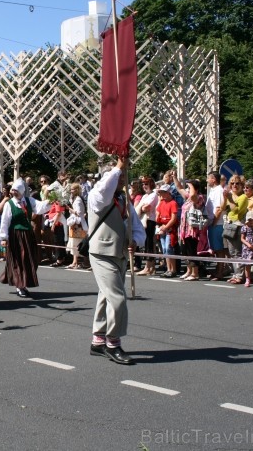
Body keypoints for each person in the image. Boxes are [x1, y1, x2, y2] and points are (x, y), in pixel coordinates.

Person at [87, 156, 145, 365]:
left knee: (105, 297)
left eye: (123, 175)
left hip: (119, 254)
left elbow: (137, 227)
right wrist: (118, 167)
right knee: (118, 299)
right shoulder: (97, 195)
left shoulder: (124, 200)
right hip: (101, 253)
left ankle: (98, 341)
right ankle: (113, 343)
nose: (122, 178)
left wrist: (136, 241)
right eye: (119, 176)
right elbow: (104, 190)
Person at [0, 178, 51, 298]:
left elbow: (40, 207)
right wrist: (3, 238)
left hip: (28, 235)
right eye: (13, 190)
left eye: (16, 190)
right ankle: (19, 285)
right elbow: (5, 222)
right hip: (16, 235)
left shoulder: (29, 200)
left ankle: (23, 283)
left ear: (22, 191)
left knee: (29, 259)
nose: (14, 192)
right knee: (19, 259)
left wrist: (51, 201)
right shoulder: (9, 204)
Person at [177, 180, 209, 281]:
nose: (187, 189)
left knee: (192, 250)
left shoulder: (199, 198)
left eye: (189, 188)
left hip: (192, 229)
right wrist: (174, 178)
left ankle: (195, 273)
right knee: (185, 250)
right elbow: (179, 188)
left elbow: (192, 196)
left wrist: (191, 186)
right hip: (184, 228)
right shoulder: (187, 199)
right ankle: (188, 271)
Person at [224, 175, 248, 284]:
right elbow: (223, 207)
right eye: (232, 183)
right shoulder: (231, 196)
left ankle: (239, 275)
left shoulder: (243, 197)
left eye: (237, 183)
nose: (234, 185)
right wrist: (226, 198)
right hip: (229, 225)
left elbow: (236, 211)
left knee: (238, 252)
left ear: (241, 185)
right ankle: (235, 274)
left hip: (238, 226)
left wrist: (229, 199)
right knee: (231, 252)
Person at [205, 171, 228, 280]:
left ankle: (220, 272)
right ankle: (218, 270)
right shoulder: (213, 190)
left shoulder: (219, 190)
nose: (207, 180)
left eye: (208, 178)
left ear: (213, 179)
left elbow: (219, 208)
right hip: (212, 223)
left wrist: (214, 222)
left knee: (219, 250)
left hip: (217, 224)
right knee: (216, 249)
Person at [135, 177, 158, 276]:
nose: (144, 186)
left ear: (151, 185)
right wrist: (141, 207)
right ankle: (149, 267)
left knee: (149, 244)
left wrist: (141, 208)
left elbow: (146, 207)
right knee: (147, 244)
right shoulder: (145, 196)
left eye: (146, 184)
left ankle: (149, 267)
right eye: (143, 184)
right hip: (143, 221)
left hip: (150, 221)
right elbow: (141, 207)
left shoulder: (154, 195)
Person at [66, 183, 88, 269]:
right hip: (76, 223)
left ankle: (79, 262)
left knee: (77, 243)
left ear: (77, 190)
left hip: (78, 224)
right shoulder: (75, 198)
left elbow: (78, 213)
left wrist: (69, 209)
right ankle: (75, 261)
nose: (71, 191)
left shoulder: (78, 199)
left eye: (73, 189)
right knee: (75, 242)